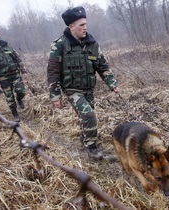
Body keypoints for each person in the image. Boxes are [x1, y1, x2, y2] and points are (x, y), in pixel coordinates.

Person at [47, 6, 119, 160]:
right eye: (81, 25)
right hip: (72, 89)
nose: (85, 28)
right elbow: (52, 72)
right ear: (71, 26)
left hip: (89, 89)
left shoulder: (92, 43)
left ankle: (85, 138)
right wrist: (55, 96)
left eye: (86, 24)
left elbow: (102, 65)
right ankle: (93, 150)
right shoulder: (60, 45)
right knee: (88, 115)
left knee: (85, 116)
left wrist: (112, 83)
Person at [0, 26, 28, 122]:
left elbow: (17, 59)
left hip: (15, 74)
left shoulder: (7, 46)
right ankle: (15, 114)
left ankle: (20, 99)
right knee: (9, 97)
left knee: (21, 91)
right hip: (3, 78)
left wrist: (23, 71)